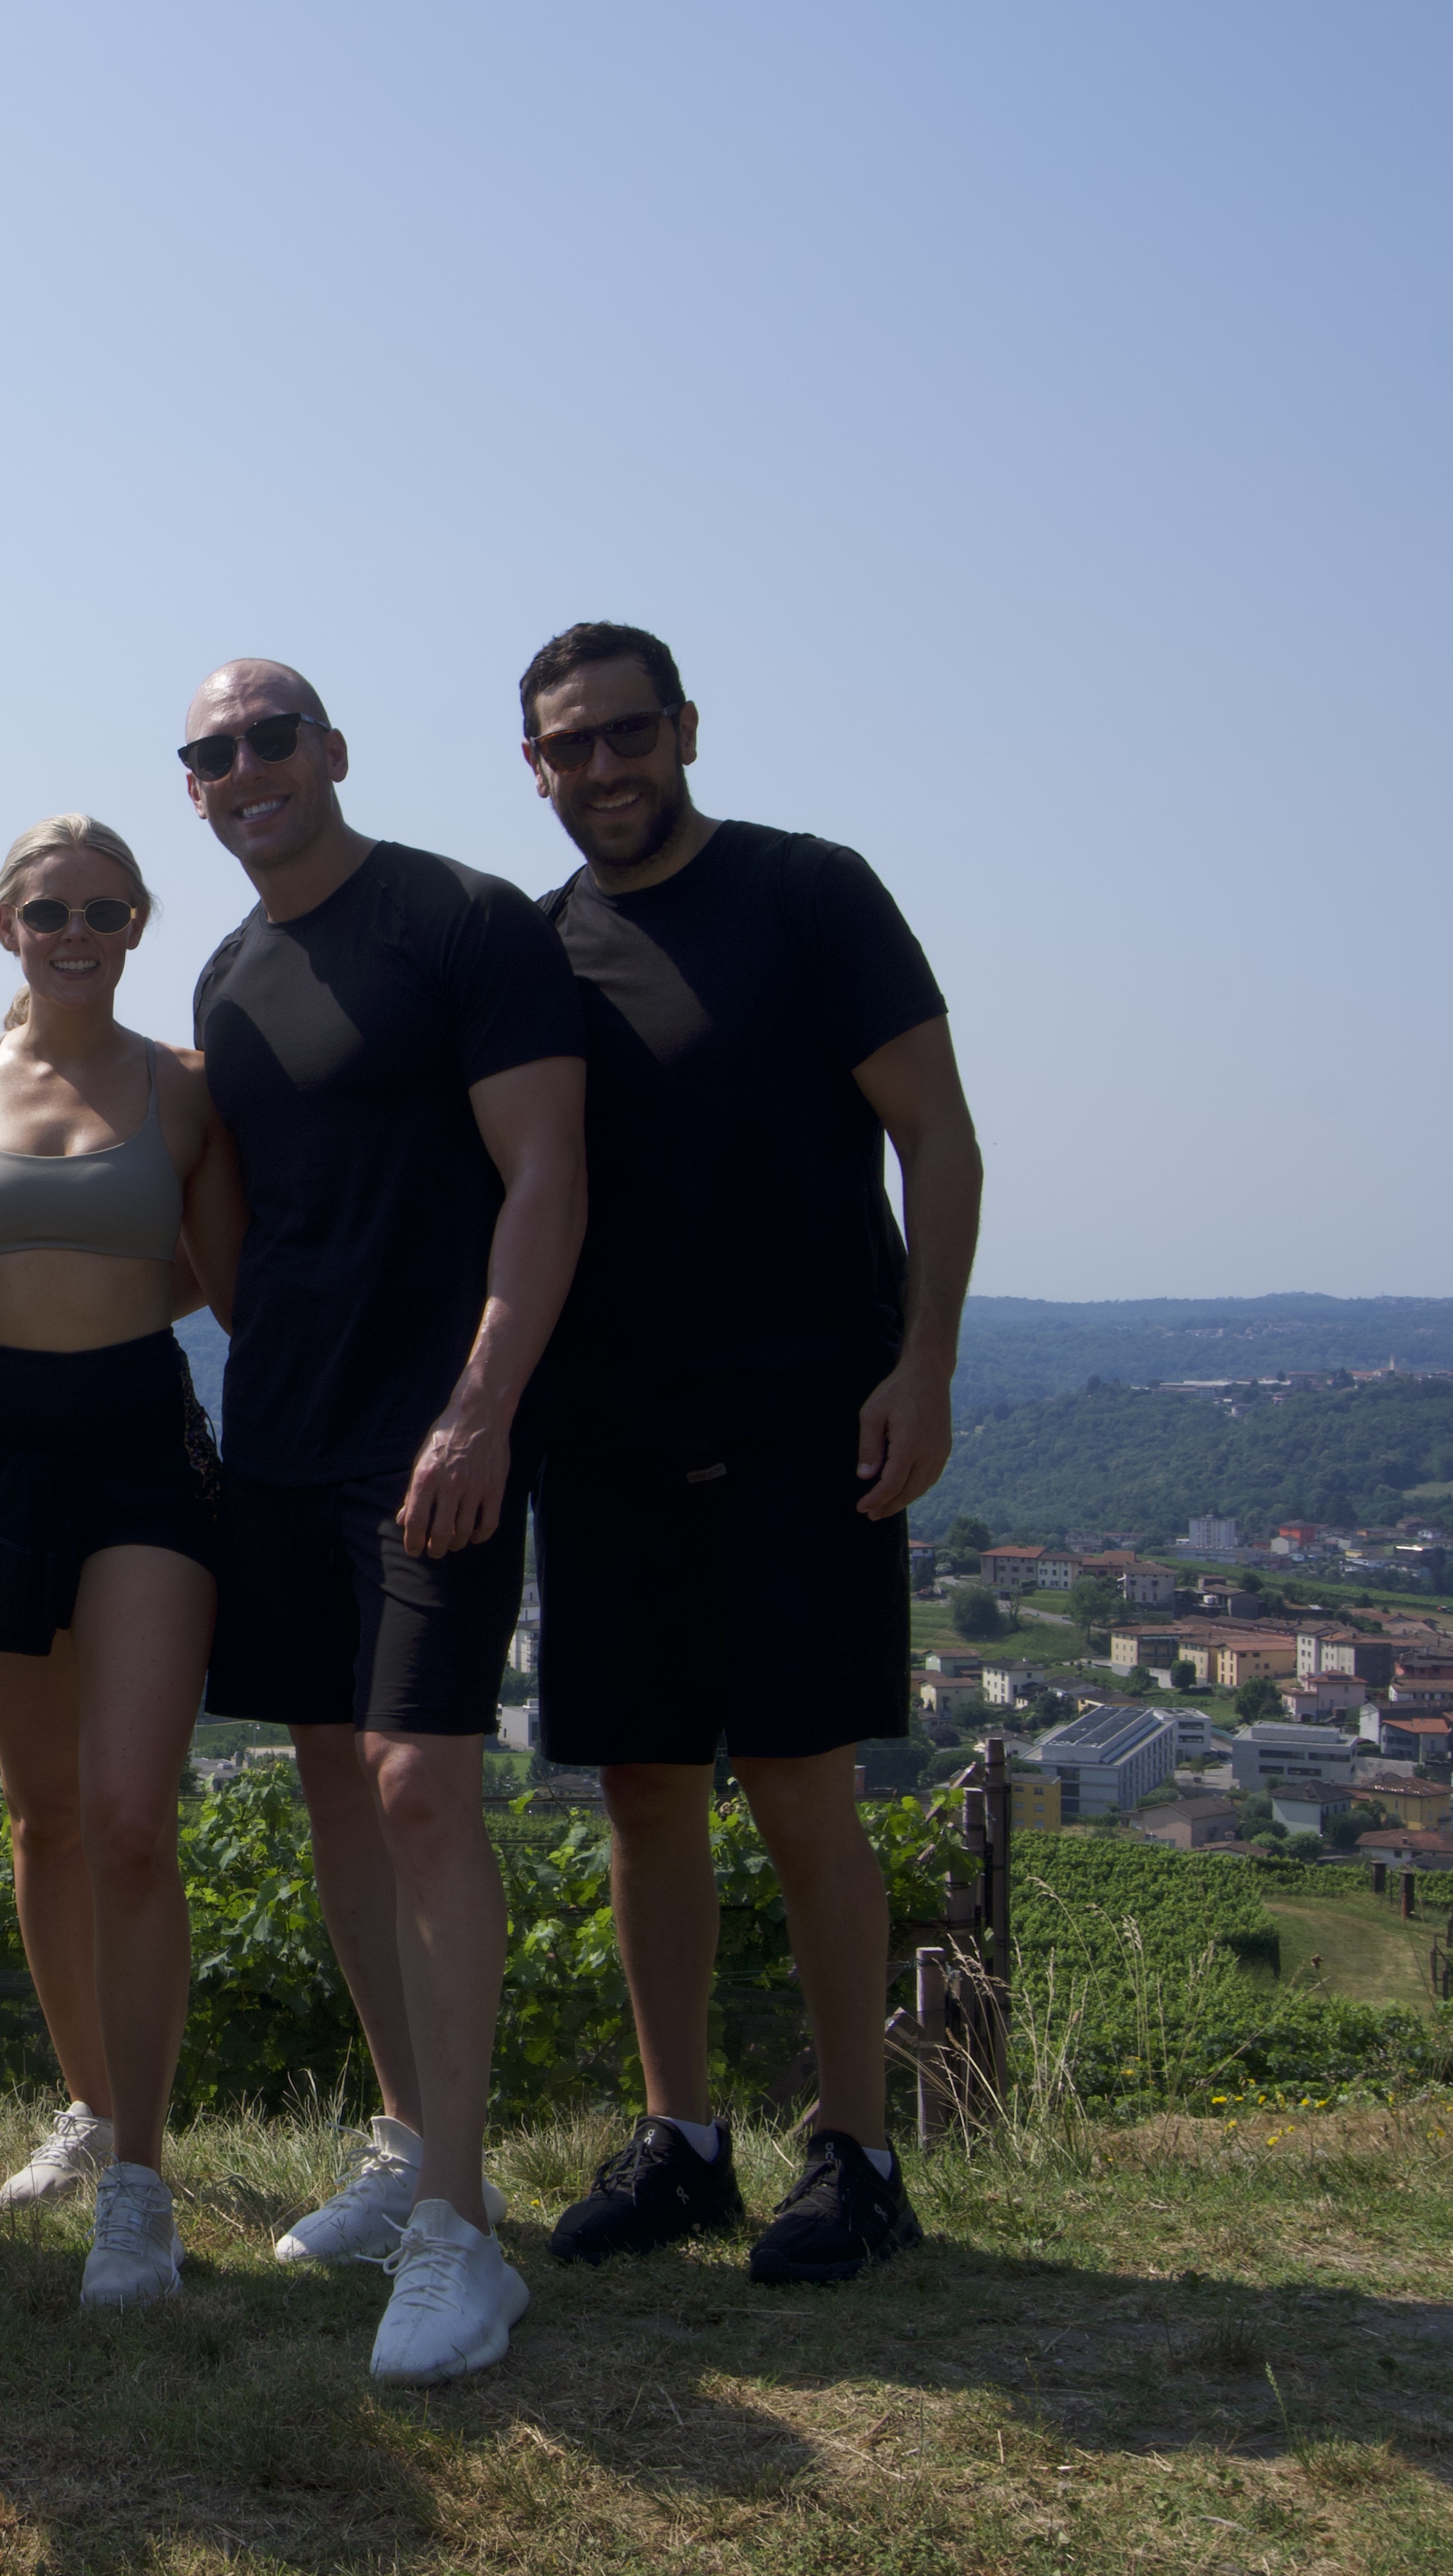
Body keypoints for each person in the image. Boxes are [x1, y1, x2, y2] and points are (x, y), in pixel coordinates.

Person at [508, 621, 982, 2286]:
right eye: (568, 747)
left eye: (626, 734)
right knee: (643, 1791)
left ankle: (856, 2155)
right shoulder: (537, 946)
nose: (602, 769)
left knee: (800, 1787)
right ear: (533, 767)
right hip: (608, 1435)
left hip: (808, 1414)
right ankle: (683, 2143)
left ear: (686, 729)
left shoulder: (808, 893)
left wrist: (924, 1368)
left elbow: (937, 1133)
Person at [179, 660, 589, 2385]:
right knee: (337, 1774)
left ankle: (465, 2234)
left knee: (425, 1781)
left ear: (334, 753)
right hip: (282, 1431)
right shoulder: (226, 974)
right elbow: (239, 1220)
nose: (246, 767)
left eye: (274, 738)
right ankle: (412, 2138)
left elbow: (551, 1177)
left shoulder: (463, 922)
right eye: (212, 752)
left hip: (439, 1432)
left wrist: (483, 1406)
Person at [0, 815, 244, 2306]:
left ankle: (139, 2185)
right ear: (4, 924)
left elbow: (238, 1279)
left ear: (139, 924)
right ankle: (89, 2106)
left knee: (135, 1818)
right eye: (46, 909)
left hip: (143, 1448)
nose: (74, 931)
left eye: (104, 908)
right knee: (45, 1815)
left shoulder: (190, 1088)